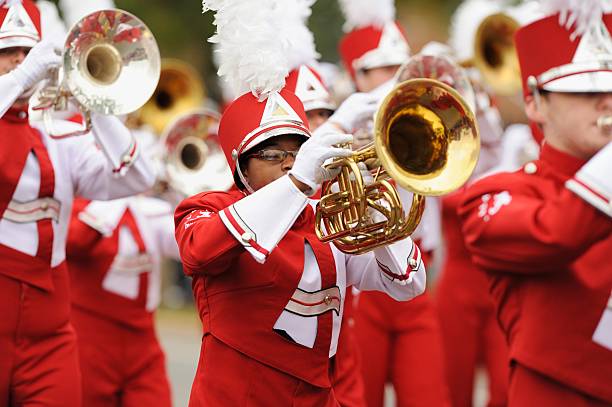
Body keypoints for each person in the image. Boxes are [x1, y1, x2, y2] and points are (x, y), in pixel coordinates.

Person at [176, 1, 427, 404]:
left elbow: (409, 283)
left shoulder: (326, 217)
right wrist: (298, 181)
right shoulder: (206, 208)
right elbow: (199, 250)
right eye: (273, 154)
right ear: (240, 164)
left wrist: (374, 210)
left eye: (299, 152)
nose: (288, 163)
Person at [0, 1, 155, 405]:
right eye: (7, 52)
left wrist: (93, 102)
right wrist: (24, 74)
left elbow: (139, 176)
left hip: (49, 336)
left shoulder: (57, 135)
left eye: (28, 51)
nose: (21, 59)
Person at [459, 3, 612, 405]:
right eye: (586, 90)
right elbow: (559, 232)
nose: (607, 102)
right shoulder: (493, 195)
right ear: (535, 103)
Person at [337, 1, 450, 406]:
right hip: (363, 286)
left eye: (397, 67)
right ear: (355, 75)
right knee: (359, 397)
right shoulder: (338, 127)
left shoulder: (424, 117)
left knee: (428, 396)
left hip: (419, 281)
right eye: (379, 69)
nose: (392, 78)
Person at [65, 193, 177, 407]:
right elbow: (74, 242)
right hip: (88, 342)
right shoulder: (79, 204)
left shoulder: (151, 210)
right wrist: (117, 196)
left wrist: (190, 200)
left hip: (144, 344)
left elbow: (188, 247)